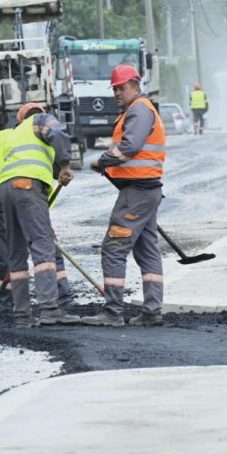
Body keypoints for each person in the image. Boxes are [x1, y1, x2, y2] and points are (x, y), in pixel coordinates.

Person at [83, 65, 166, 328]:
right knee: (147, 250)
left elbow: (130, 147)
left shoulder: (139, 109)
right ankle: (152, 311)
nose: (117, 93)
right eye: (115, 89)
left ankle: (112, 312)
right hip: (144, 190)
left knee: (114, 247)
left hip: (137, 192)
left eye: (121, 88)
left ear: (135, 85)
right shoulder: (138, 109)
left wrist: (103, 161)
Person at [0, 127, 75, 310]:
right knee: (10, 253)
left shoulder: (44, 142)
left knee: (48, 250)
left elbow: (53, 170)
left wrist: (62, 174)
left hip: (35, 201)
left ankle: (63, 298)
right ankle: (8, 301)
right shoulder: (0, 139)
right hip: (6, 202)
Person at [0, 102, 77, 328]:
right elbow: (57, 133)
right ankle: (50, 309)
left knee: (16, 252)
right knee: (42, 245)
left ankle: (22, 314)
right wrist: (65, 166)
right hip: (27, 185)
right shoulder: (40, 120)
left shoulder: (15, 132)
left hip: (6, 189)